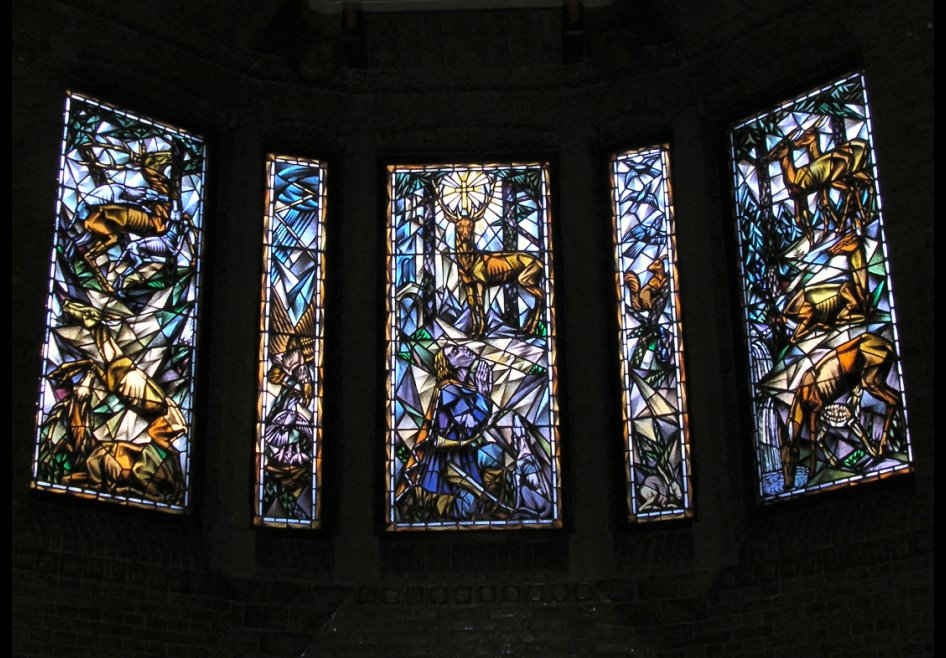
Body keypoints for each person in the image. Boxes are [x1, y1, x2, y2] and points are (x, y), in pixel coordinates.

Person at [397, 342, 504, 520]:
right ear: (450, 365)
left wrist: (482, 395)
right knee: (465, 506)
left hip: (465, 455)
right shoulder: (448, 389)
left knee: (494, 452)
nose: (463, 348)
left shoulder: (465, 389)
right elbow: (468, 425)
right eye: (455, 351)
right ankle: (469, 507)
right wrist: (483, 397)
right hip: (447, 464)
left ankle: (489, 502)